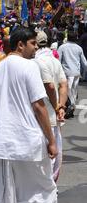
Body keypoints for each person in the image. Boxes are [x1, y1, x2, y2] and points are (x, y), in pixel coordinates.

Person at [0, 27, 58, 203]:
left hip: (4, 141)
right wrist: (51, 140)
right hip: (28, 139)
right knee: (41, 192)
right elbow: (39, 106)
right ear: (20, 45)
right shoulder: (29, 66)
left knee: (10, 192)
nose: (36, 48)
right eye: (33, 43)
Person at [34, 31, 68, 182]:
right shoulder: (54, 61)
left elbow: (50, 86)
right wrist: (61, 106)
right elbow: (63, 85)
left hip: (43, 114)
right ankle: (51, 184)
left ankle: (46, 187)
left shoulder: (37, 61)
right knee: (55, 149)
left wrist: (56, 106)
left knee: (46, 152)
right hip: (53, 114)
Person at [58, 30, 87, 117]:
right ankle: (72, 107)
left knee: (68, 90)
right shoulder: (78, 48)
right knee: (73, 90)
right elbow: (84, 62)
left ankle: (70, 107)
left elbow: (58, 60)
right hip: (76, 72)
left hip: (66, 72)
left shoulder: (62, 47)